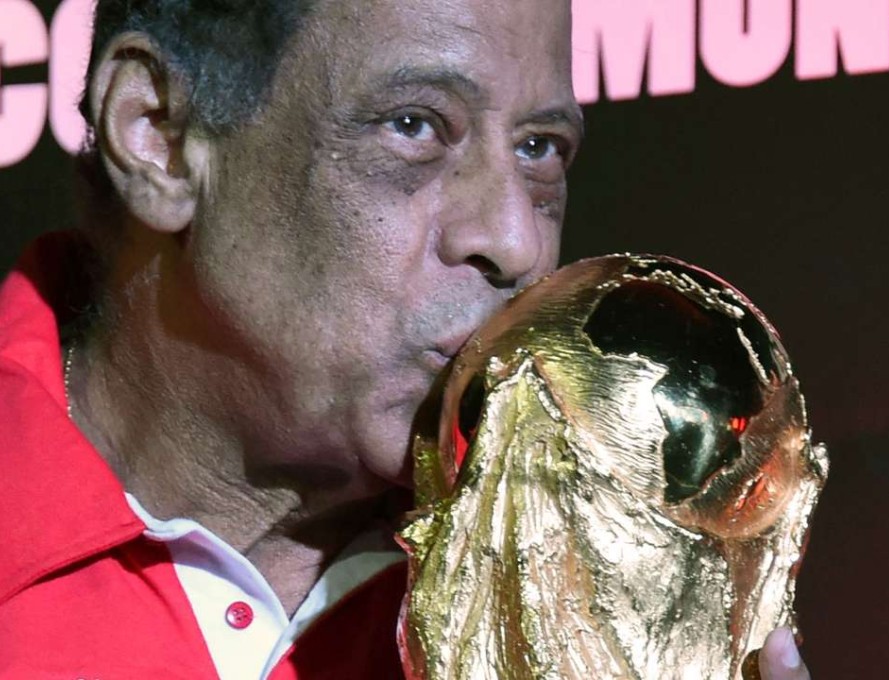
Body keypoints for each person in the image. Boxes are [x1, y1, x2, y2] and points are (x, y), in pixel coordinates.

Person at [0, 0, 812, 677]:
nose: (516, 241)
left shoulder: (605, 579)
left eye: (539, 150)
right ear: (161, 135)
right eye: (415, 127)